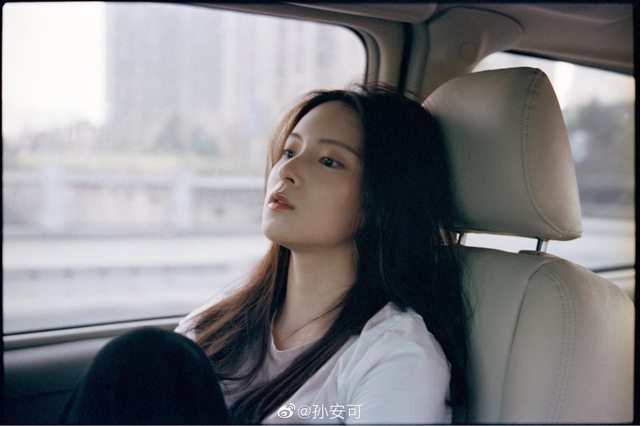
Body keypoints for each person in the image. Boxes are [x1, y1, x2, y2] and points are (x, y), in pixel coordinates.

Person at [60, 84, 468, 425]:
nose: (287, 171)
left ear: (383, 199)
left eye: (329, 161)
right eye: (289, 151)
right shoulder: (221, 322)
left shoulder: (396, 357)